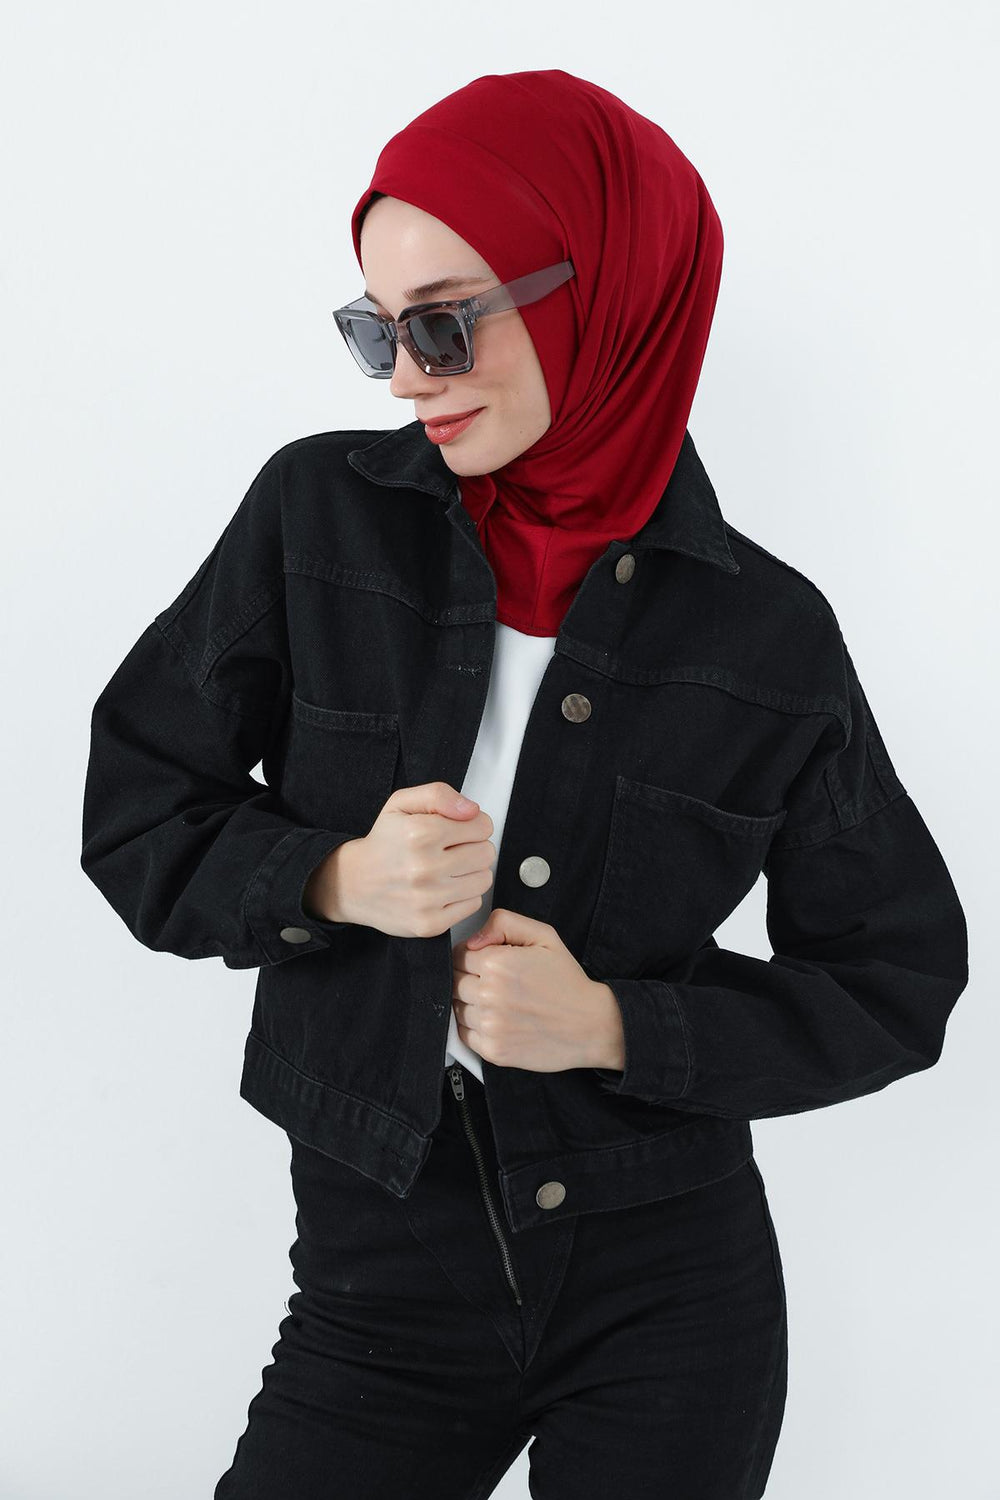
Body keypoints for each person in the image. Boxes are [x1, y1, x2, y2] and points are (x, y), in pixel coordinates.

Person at [80, 70, 969, 1498]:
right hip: (380, 1280)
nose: (405, 377)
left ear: (600, 294)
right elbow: (138, 803)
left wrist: (614, 1025)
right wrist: (333, 876)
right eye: (377, 329)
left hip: (670, 1293)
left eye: (442, 322)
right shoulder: (316, 520)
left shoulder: (769, 635)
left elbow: (895, 977)